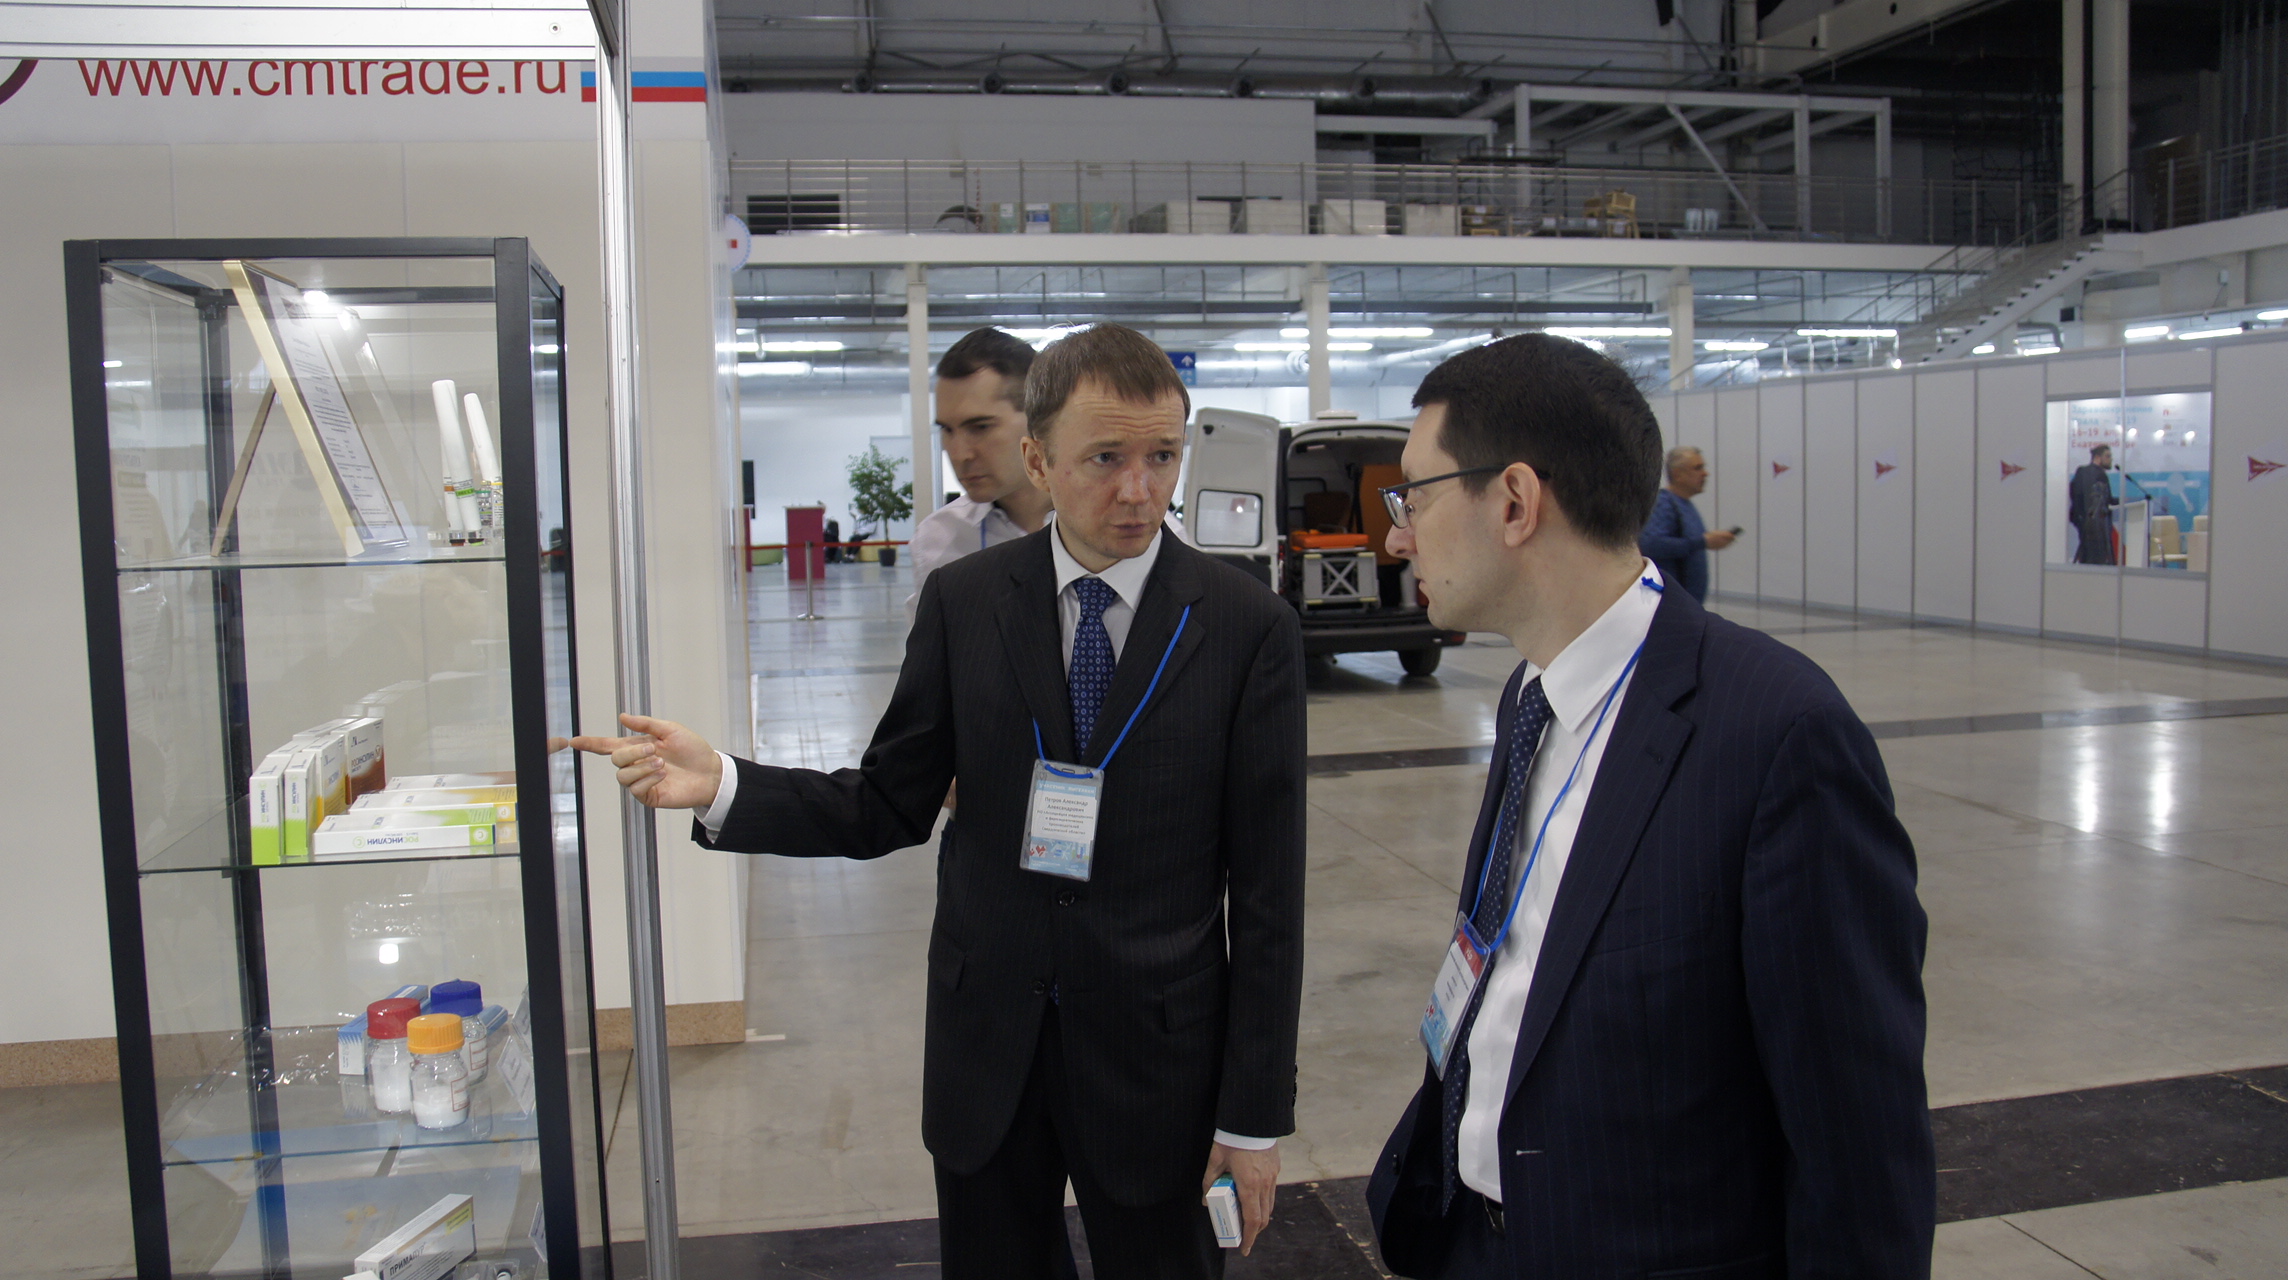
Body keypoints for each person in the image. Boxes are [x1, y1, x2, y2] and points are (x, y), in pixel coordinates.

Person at [573, 323, 1307, 1279]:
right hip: (987, 1045)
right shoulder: (966, 602)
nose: (1139, 490)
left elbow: (1269, 895)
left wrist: (1251, 1118)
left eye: (1162, 456)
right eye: (1105, 459)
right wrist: (726, 783)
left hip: (1157, 1061)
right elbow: (888, 801)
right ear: (1040, 460)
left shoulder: (1247, 626)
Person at [1364, 335, 1933, 1278]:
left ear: (1515, 502)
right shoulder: (1530, 696)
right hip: (1478, 1238)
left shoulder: (1776, 735)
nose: (1397, 537)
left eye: (1414, 498)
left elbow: (1858, 1142)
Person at [906, 327, 1055, 620]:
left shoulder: (1118, 525)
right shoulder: (938, 541)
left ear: (1038, 418)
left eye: (980, 427)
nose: (959, 454)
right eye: (947, 430)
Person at [1636, 445, 1734, 603]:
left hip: (1686, 603)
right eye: (1697, 468)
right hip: (1671, 603)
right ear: (1678, 474)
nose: (1705, 473)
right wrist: (1703, 542)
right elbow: (1651, 544)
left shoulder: (1684, 504)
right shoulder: (1664, 504)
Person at [2070, 444, 2117, 565]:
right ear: (2097, 457)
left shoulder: (2081, 471)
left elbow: (2074, 494)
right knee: (2097, 558)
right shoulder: (2100, 475)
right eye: (2107, 456)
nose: (2110, 459)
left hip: (2084, 523)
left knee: (2088, 557)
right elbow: (2106, 499)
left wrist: (2080, 519)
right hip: (2098, 525)